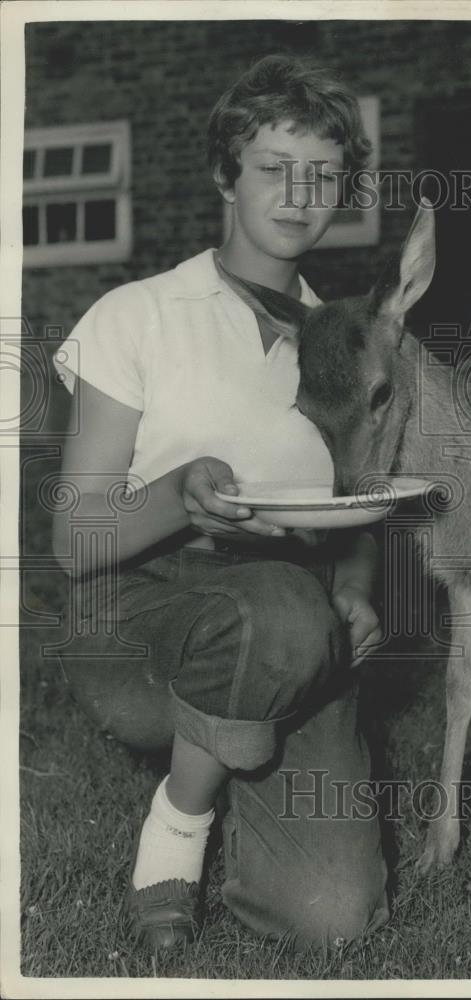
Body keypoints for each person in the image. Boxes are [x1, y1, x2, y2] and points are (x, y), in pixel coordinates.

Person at [50, 54, 389, 951]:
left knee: (331, 920)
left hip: (296, 627)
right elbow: (75, 541)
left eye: (322, 175)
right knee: (279, 607)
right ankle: (180, 823)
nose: (298, 193)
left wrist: (354, 588)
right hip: (139, 607)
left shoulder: (350, 348)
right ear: (223, 177)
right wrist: (179, 496)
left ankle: (237, 746)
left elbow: (355, 502)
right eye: (273, 168)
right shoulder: (137, 316)